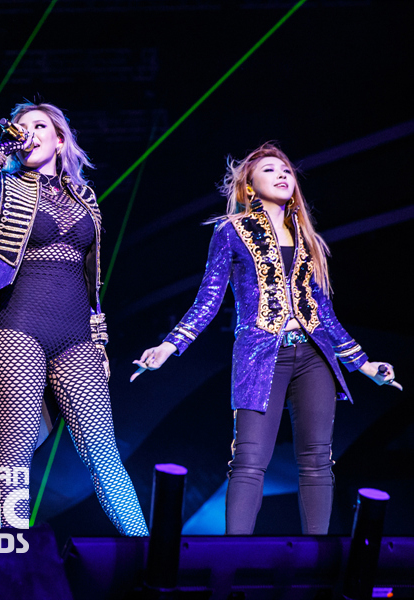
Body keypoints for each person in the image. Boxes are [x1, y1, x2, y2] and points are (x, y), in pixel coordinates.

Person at [131, 142, 402, 535]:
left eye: (287, 171)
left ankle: (318, 557)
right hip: (259, 354)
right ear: (249, 186)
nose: (282, 175)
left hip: (314, 354)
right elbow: (209, 298)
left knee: (318, 459)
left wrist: (364, 364)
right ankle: (233, 555)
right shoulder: (231, 231)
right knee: (249, 459)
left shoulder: (307, 238)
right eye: (270, 170)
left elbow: (324, 313)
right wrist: (168, 346)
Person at [0, 102, 148, 535]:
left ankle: (149, 552)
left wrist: (99, 339)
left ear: (60, 140)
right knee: (15, 455)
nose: (29, 133)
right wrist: (2, 149)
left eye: (39, 126)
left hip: (76, 336)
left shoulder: (87, 199)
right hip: (20, 329)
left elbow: (92, 279)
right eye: (21, 127)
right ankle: (12, 556)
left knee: (103, 453)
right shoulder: (6, 190)